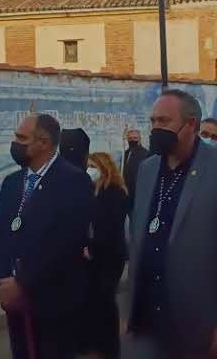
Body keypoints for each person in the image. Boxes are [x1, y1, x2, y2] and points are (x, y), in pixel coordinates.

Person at [128, 89, 217, 359]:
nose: (155, 128)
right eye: (152, 121)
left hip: (199, 325)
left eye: (164, 121)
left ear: (191, 125)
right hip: (148, 321)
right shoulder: (147, 169)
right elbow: (138, 235)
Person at [0, 114, 94, 359]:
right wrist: (3, 282)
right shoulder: (12, 182)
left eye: (21, 138)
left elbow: (67, 243)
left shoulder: (74, 181)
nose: (15, 143)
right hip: (15, 304)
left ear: (44, 142)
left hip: (54, 304)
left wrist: (23, 283)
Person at [81, 153, 129, 359]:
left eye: (93, 165)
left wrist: (92, 247)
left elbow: (110, 226)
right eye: (88, 165)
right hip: (93, 255)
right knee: (94, 300)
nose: (89, 169)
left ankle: (110, 348)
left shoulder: (115, 192)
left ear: (104, 167)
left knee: (105, 298)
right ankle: (94, 342)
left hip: (110, 255)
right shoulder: (92, 190)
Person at [122, 129, 150, 206]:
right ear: (127, 139)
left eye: (135, 138)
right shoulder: (125, 154)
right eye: (130, 138)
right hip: (126, 193)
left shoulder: (146, 154)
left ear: (139, 139)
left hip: (139, 193)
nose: (132, 140)